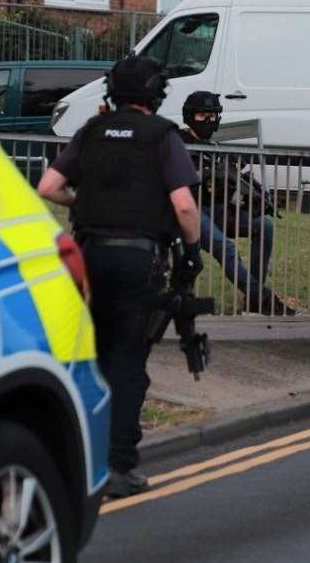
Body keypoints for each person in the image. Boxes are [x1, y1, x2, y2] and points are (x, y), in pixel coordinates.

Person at [37, 55, 203, 497]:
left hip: (87, 259)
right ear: (156, 92)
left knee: (87, 356)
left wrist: (84, 200)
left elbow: (48, 188)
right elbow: (184, 205)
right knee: (126, 363)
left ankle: (72, 459)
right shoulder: (162, 136)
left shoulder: (91, 132)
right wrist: (192, 251)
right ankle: (118, 466)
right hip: (138, 260)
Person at [178, 91, 294, 315]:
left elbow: (230, 183)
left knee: (265, 226)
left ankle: (252, 300)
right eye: (204, 116)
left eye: (213, 116)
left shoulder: (217, 149)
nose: (209, 121)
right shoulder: (179, 143)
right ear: (191, 117)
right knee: (226, 248)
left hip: (218, 210)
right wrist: (210, 175)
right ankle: (262, 298)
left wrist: (254, 198)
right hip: (190, 212)